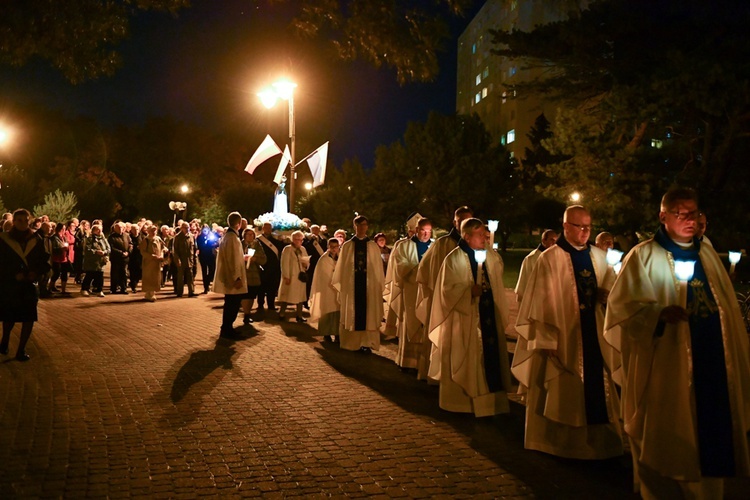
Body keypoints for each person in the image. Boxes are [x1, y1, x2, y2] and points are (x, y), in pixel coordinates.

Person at [604, 188, 750, 497]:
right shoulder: (643, 255)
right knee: (668, 429)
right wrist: (657, 314)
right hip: (666, 368)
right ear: (663, 216)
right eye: (681, 214)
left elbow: (726, 307)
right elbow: (623, 311)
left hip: (714, 365)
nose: (689, 221)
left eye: (694, 213)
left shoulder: (706, 252)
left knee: (710, 432)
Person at [513, 205, 621, 459]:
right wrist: (546, 339)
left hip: (594, 333)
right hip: (562, 337)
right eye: (579, 226)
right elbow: (541, 302)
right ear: (565, 226)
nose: (584, 231)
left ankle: (599, 444)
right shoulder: (550, 258)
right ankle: (560, 444)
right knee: (564, 389)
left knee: (597, 388)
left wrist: (608, 297)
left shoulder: (599, 256)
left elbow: (613, 290)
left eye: (588, 227)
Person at [427, 218, 512, 416]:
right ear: (467, 236)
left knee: (489, 358)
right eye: (480, 234)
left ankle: (492, 405)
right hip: (464, 320)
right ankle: (461, 403)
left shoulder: (489, 255)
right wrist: (468, 292)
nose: (485, 237)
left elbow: (497, 278)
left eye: (485, 234)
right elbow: (446, 291)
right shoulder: (454, 259)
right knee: (469, 357)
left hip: (488, 316)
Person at [415, 205, 473, 380]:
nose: (464, 223)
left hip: (467, 300)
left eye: (467, 220)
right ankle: (434, 375)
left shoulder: (476, 246)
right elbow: (425, 272)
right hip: (442, 299)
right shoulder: (443, 244)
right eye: (460, 220)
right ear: (454, 222)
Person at [0, 209, 51, 361]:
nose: (23, 223)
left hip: (29, 285)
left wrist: (36, 272)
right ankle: (5, 340)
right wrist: (12, 274)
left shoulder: (36, 239)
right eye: (19, 220)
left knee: (29, 318)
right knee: (9, 317)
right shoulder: (4, 240)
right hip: (11, 285)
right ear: (14, 222)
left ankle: (21, 350)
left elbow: (44, 261)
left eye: (25, 220)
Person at [331, 215, 385, 352]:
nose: (362, 228)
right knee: (353, 312)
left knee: (369, 314)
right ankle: (352, 343)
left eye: (365, 225)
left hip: (369, 287)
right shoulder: (348, 246)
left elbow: (378, 269)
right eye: (359, 225)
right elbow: (342, 268)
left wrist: (378, 285)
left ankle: (367, 343)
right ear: (355, 226)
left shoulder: (372, 246)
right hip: (352, 287)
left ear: (367, 226)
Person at [388, 217, 433, 369]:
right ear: (416, 230)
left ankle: (424, 364)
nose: (426, 234)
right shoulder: (405, 246)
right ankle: (408, 362)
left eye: (428, 231)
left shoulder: (434, 247)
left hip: (428, 292)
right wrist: (420, 269)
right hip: (411, 290)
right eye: (422, 230)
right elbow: (401, 266)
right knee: (411, 322)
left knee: (426, 323)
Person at [213, 212, 248, 337]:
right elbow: (232, 259)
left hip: (229, 275)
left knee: (230, 303)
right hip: (233, 278)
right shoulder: (232, 238)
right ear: (238, 224)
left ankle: (227, 327)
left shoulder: (227, 236)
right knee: (232, 304)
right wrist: (236, 277)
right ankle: (227, 329)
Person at [309, 238, 341, 343]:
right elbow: (322, 275)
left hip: (338, 289)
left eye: (336, 247)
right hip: (327, 289)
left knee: (337, 312)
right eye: (331, 247)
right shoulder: (323, 260)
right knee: (327, 311)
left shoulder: (341, 258)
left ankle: (337, 333)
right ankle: (326, 333)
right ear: (328, 247)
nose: (334, 249)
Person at [514, 229, 558, 304]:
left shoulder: (556, 257)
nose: (554, 243)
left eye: (555, 241)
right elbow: (525, 282)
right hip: (534, 301)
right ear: (544, 240)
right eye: (551, 240)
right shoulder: (532, 258)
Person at [278, 230, 310, 322]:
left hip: (300, 276)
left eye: (300, 239)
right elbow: (284, 264)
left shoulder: (303, 249)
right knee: (287, 295)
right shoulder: (287, 249)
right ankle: (282, 313)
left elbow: (307, 261)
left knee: (300, 296)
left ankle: (299, 315)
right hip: (291, 276)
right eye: (296, 239)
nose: (298, 241)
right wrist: (286, 276)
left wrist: (306, 265)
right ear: (292, 239)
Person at [257, 222, 285, 314]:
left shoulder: (275, 240)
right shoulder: (258, 240)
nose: (268, 230)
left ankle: (271, 305)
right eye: (266, 228)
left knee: (272, 287)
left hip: (273, 267)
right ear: (263, 228)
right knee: (261, 287)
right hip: (262, 266)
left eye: (269, 228)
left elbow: (281, 248)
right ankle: (260, 304)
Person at [241, 229, 267, 325]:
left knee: (252, 294)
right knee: (245, 294)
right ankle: (246, 314)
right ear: (244, 235)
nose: (251, 236)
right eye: (249, 234)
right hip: (243, 272)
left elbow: (263, 258)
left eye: (252, 234)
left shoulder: (257, 245)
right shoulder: (240, 244)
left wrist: (255, 258)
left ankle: (248, 314)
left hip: (254, 273)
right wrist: (243, 258)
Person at [81, 224, 110, 297]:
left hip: (101, 262)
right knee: (89, 275)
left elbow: (108, 248)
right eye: (98, 229)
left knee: (100, 276)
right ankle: (84, 289)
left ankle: (99, 290)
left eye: (101, 229)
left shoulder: (103, 239)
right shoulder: (89, 239)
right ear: (93, 230)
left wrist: (105, 252)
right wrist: (96, 252)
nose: (100, 231)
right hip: (92, 261)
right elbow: (87, 249)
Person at [139, 225, 165, 302]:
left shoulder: (158, 239)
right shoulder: (146, 240)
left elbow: (163, 248)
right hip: (148, 262)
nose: (154, 232)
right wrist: (151, 256)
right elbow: (142, 251)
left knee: (155, 278)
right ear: (148, 231)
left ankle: (152, 292)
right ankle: (149, 293)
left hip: (156, 262)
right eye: (152, 231)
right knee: (148, 277)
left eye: (155, 231)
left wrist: (161, 255)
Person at [49, 221, 75, 296]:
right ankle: (50, 287)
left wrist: (66, 250)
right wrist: (61, 248)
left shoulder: (64, 237)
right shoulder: (54, 237)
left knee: (64, 274)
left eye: (64, 229)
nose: (63, 230)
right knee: (56, 274)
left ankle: (63, 290)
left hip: (64, 258)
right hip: (56, 258)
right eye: (62, 229)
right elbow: (53, 248)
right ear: (58, 229)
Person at [172, 221, 197, 297]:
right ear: (182, 228)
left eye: (188, 227)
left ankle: (191, 291)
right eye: (185, 228)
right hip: (181, 259)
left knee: (190, 276)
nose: (187, 229)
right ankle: (179, 292)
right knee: (180, 277)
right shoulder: (177, 237)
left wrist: (194, 257)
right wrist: (177, 259)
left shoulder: (191, 236)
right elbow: (175, 250)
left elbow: (194, 248)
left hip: (189, 259)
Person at [303, 224, 326, 301]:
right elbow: (306, 248)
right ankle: (306, 300)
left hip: (320, 263)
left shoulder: (323, 240)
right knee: (309, 282)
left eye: (317, 229)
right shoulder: (306, 240)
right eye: (313, 230)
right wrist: (312, 240)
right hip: (311, 264)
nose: (315, 231)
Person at [108, 221, 132, 294]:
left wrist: (128, 252)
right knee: (115, 273)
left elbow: (130, 244)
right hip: (116, 258)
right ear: (115, 229)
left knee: (124, 273)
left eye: (121, 228)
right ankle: (113, 288)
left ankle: (124, 288)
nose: (120, 229)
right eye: (118, 228)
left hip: (125, 258)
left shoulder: (127, 235)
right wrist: (121, 253)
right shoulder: (111, 237)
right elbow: (111, 247)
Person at [196, 224, 220, 294]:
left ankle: (208, 281)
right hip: (203, 255)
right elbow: (199, 246)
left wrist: (214, 244)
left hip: (211, 255)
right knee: (204, 271)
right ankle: (206, 287)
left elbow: (217, 243)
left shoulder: (211, 236)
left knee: (211, 270)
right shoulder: (200, 237)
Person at [128, 224, 144, 292]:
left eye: (137, 229)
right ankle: (133, 286)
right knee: (132, 272)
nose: (136, 231)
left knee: (139, 272)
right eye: (134, 230)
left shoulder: (142, 237)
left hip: (140, 257)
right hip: (132, 258)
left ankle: (133, 283)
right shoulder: (129, 237)